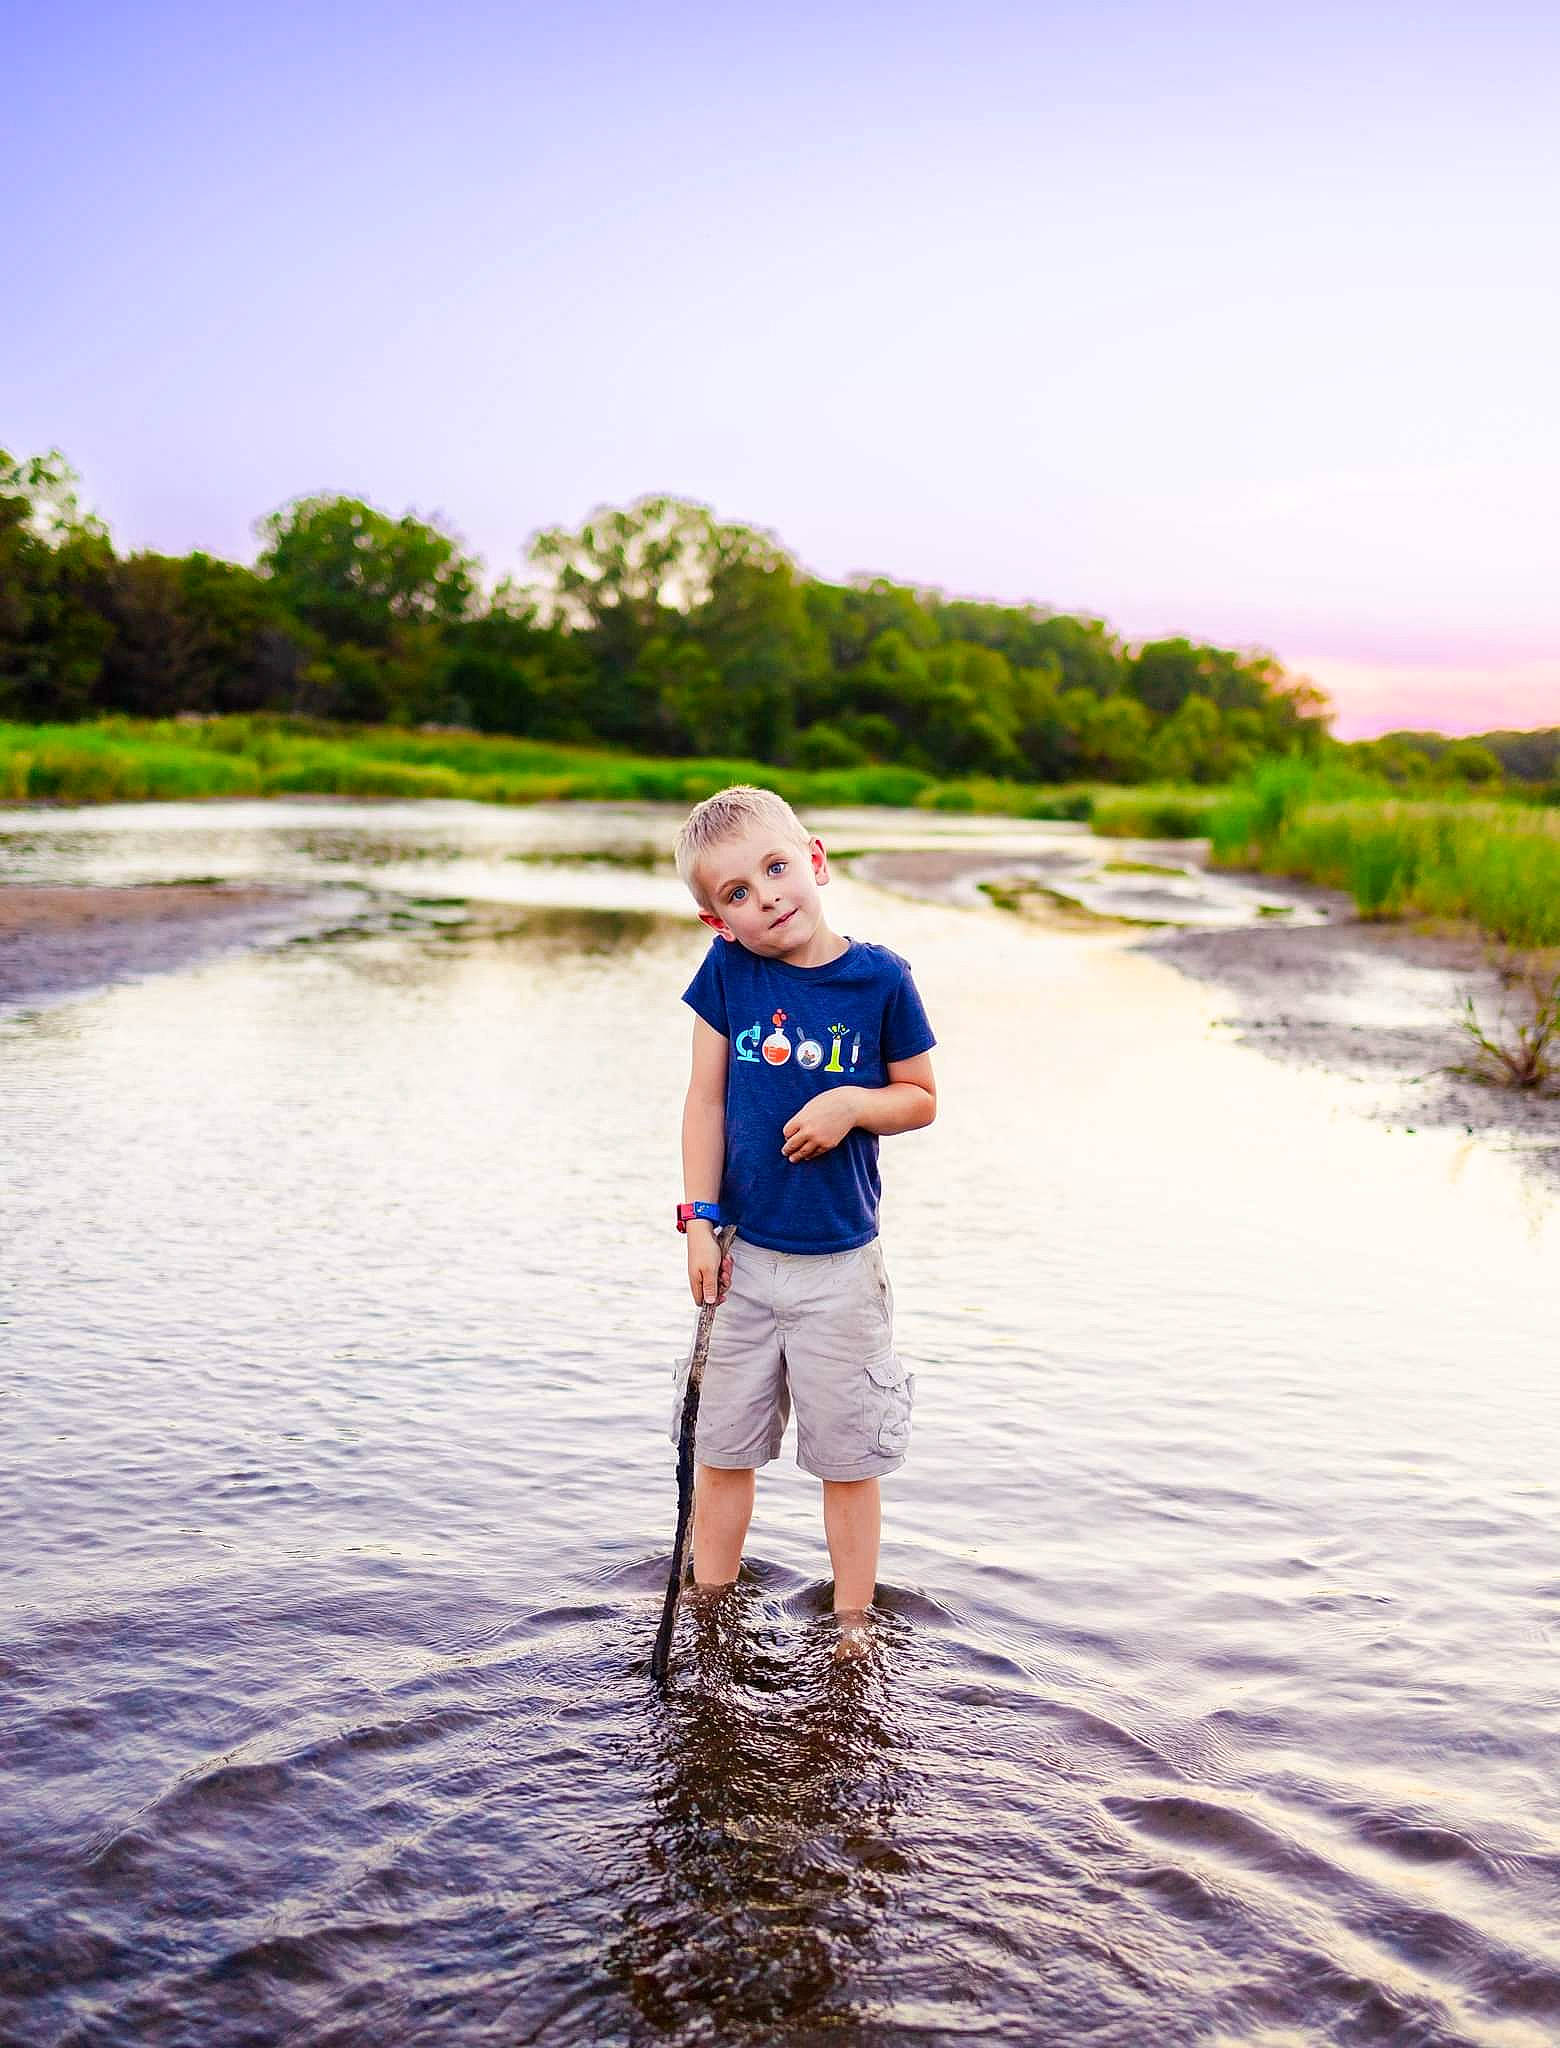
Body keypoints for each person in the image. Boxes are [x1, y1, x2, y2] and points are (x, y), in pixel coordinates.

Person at [671, 784, 937, 1653]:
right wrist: (700, 1221)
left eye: (777, 868)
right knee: (722, 1447)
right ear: (720, 923)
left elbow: (921, 1098)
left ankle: (854, 1623)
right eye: (738, 893)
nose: (767, 896)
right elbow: (704, 1099)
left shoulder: (881, 979)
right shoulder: (729, 975)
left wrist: (853, 1106)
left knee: (849, 1459)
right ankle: (710, 1608)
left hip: (839, 1269)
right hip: (742, 1258)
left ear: (815, 860)